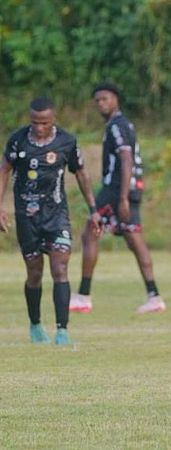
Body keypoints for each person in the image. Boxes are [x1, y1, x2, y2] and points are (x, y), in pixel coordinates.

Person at [0, 97, 101, 345]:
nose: (39, 127)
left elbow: (81, 173)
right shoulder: (18, 140)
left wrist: (93, 209)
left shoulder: (66, 141)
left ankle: (62, 330)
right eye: (35, 122)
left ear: (53, 119)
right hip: (27, 217)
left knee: (60, 269)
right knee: (34, 273)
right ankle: (35, 325)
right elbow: (4, 169)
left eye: (44, 122)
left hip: (57, 216)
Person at [69, 82, 166, 314]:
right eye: (98, 101)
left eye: (105, 99)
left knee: (90, 232)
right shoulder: (123, 124)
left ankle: (83, 295)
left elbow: (126, 158)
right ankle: (154, 296)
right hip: (130, 189)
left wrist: (121, 197)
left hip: (116, 190)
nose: (101, 103)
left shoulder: (116, 126)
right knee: (134, 238)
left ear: (116, 100)